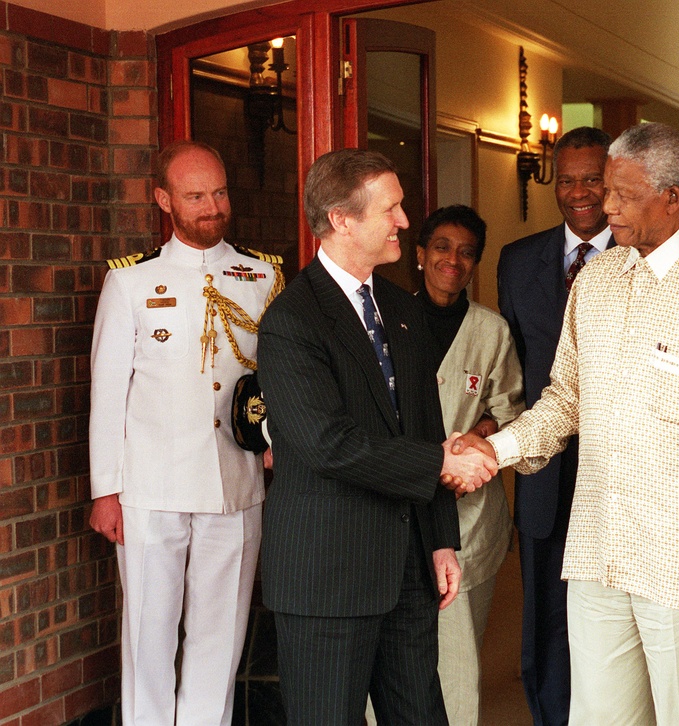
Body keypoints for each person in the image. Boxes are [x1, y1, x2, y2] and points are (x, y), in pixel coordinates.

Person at [455, 122, 679, 724]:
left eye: (624, 194)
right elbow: (564, 400)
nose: (607, 206)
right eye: (608, 191)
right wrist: (494, 451)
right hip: (599, 545)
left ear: (671, 199)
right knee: (599, 716)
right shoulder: (596, 281)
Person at [256, 150, 497, 724]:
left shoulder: (399, 308)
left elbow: (425, 423)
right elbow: (323, 442)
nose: (404, 221)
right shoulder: (292, 320)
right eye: (390, 208)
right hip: (327, 580)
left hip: (409, 572)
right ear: (342, 219)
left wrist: (440, 538)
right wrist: (440, 464)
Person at [88, 139, 283, 725]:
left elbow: (278, 376)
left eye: (219, 192)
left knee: (219, 638)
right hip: (151, 489)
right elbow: (107, 390)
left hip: (235, 484)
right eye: (196, 195)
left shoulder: (262, 274)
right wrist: (105, 490)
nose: (212, 206)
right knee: (149, 638)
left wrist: (274, 444)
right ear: (164, 200)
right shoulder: (130, 282)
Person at [497, 125, 613, 725]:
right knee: (545, 615)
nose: (579, 192)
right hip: (545, 473)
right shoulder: (518, 263)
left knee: (613, 616)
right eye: (566, 180)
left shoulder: (643, 255)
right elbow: (516, 371)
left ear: (614, 178)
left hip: (621, 473)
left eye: (592, 178)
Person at [414, 205, 525, 725]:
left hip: (470, 512)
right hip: (404, 505)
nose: (452, 260)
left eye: (465, 252)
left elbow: (509, 409)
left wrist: (475, 441)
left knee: (458, 653)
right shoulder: (391, 320)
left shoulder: (491, 330)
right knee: (400, 649)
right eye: (441, 247)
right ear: (420, 254)